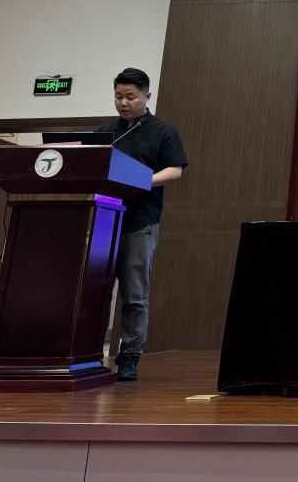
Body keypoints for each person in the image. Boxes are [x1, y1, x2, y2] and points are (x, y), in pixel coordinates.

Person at [97, 68, 188, 382]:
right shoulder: (105, 131)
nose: (123, 103)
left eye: (131, 97)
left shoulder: (163, 131)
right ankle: (89, 354)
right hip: (104, 219)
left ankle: (129, 357)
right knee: (96, 290)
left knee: (134, 294)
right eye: (118, 96)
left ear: (147, 96)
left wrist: (140, 180)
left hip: (139, 221)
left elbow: (175, 170)